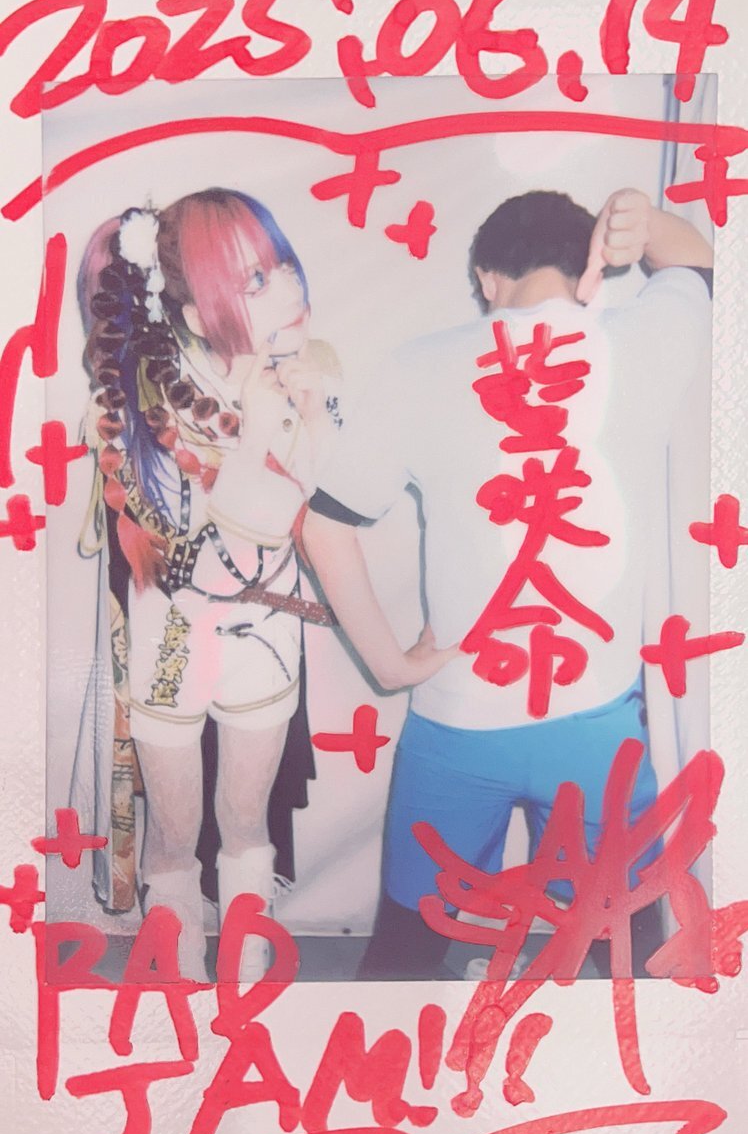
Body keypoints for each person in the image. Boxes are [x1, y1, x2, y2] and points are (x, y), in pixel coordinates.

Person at [302, 187, 713, 980]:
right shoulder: (642, 343)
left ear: (487, 278)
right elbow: (697, 268)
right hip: (599, 731)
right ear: (589, 273)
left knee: (406, 954)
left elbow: (324, 525)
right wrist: (650, 226)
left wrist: (391, 664)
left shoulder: (418, 366)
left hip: (458, 724)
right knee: (624, 947)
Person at [73, 188, 340, 981]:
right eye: (256, 279)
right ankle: (180, 989)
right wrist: (260, 424)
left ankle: (245, 985)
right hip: (171, 640)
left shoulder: (306, 375)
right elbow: (226, 528)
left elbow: (324, 507)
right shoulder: (137, 401)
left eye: (282, 264)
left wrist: (312, 412)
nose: (289, 287)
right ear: (195, 312)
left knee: (248, 826)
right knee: (174, 835)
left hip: (265, 639)